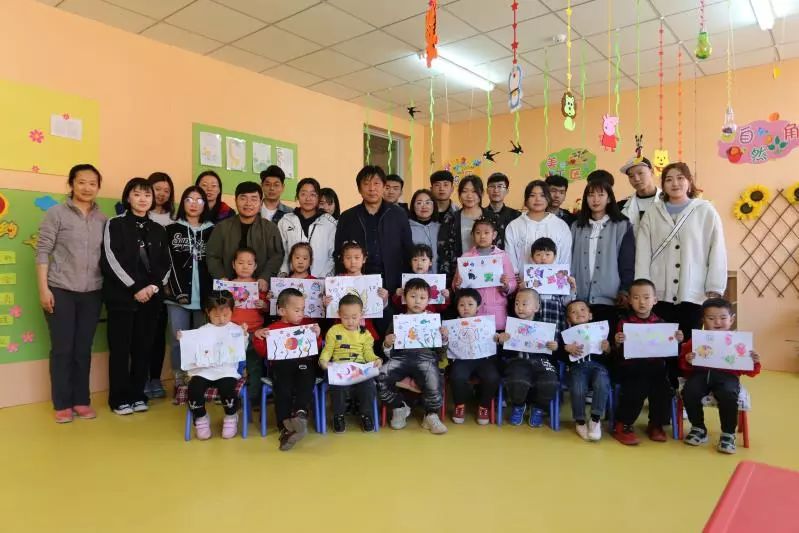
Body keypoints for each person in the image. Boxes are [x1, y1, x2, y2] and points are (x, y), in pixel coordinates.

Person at [36, 164, 107, 423]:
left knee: (83, 348)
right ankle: (62, 403)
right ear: (71, 184)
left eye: (92, 183)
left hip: (92, 292)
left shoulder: (103, 219)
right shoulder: (56, 214)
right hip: (60, 289)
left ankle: (81, 400)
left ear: (98, 187)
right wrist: (43, 289)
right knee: (63, 348)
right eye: (81, 182)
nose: (87, 188)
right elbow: (43, 251)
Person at [635, 162, 727, 342]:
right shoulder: (653, 212)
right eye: (669, 179)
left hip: (693, 290)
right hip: (659, 291)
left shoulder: (705, 211)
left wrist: (715, 285)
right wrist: (642, 285)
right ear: (663, 184)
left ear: (689, 181)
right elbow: (643, 251)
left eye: (680, 178)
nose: (675, 183)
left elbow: (717, 249)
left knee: (689, 344)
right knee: (660, 344)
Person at [101, 177, 169, 415]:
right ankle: (119, 399)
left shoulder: (159, 229)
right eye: (137, 194)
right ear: (128, 197)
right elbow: (111, 259)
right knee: (120, 350)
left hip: (151, 299)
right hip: (122, 299)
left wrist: (153, 288)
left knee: (143, 349)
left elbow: (165, 264)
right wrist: (135, 288)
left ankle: (138, 395)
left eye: (147, 195)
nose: (143, 199)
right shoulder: (115, 224)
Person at [679, 298, 761, 454]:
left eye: (723, 318)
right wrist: (688, 360)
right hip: (700, 375)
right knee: (690, 390)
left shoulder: (738, 342)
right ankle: (698, 428)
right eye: (711, 318)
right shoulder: (696, 340)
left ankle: (728, 433)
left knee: (729, 394)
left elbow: (751, 372)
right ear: (703, 320)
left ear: (732, 319)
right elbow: (683, 365)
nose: (717, 322)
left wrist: (754, 362)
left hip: (727, 377)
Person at [613, 279, 682, 445]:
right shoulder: (624, 322)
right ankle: (623, 424)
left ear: (655, 300)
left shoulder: (662, 324)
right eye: (636, 298)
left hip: (655, 367)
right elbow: (617, 353)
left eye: (646, 297)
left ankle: (656, 425)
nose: (642, 302)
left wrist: (677, 340)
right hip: (631, 368)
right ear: (629, 300)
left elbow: (670, 352)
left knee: (664, 388)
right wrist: (617, 342)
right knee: (637, 386)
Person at [255, 288, 322, 451]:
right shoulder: (272, 329)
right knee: (282, 388)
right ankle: (285, 425)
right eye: (297, 310)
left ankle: (300, 413)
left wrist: (317, 336)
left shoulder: (307, 327)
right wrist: (258, 337)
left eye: (303, 310)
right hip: (281, 366)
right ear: (282, 311)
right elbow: (263, 352)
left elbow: (316, 348)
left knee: (306, 379)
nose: (301, 314)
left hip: (303, 365)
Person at [379, 278, 449, 434]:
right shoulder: (398, 320)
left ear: (428, 300)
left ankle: (431, 415)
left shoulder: (433, 320)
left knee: (433, 379)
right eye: (412, 296)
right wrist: (387, 344)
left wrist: (444, 338)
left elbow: (441, 352)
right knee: (380, 375)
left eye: (422, 297)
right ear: (404, 297)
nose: (417, 301)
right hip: (401, 358)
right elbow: (389, 353)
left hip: (426, 358)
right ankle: (399, 408)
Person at [334, 165, 414, 298]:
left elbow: (408, 249)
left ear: (383, 186)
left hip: (392, 286)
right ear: (359, 189)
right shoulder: (348, 217)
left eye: (376, 183)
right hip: (357, 284)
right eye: (366, 184)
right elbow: (339, 253)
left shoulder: (398, 215)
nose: (372, 188)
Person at [164, 186, 214, 391]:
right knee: (179, 339)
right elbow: (164, 262)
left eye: (199, 200)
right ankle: (179, 379)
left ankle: (199, 378)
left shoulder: (213, 230)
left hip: (204, 296)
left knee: (203, 339)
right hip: (177, 296)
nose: (194, 204)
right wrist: (169, 287)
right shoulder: (171, 229)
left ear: (205, 204)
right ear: (182, 203)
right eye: (189, 199)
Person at [570, 178, 635, 337]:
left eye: (601, 195)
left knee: (606, 343)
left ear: (609, 198)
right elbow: (568, 259)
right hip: (580, 301)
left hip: (609, 299)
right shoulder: (576, 226)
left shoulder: (622, 225)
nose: (595, 199)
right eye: (591, 195)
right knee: (580, 344)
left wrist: (625, 290)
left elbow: (627, 262)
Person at [179, 291, 247, 440]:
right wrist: (183, 339)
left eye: (226, 315)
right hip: (204, 371)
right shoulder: (201, 331)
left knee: (228, 388)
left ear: (232, 311)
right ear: (207, 312)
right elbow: (192, 349)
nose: (221, 319)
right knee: (194, 389)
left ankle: (231, 416)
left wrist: (244, 335)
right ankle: (201, 418)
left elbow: (242, 350)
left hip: (227, 371)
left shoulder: (236, 329)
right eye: (216, 316)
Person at [318, 294, 383, 433]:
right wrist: (323, 361)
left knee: (368, 386)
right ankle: (339, 415)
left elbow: (368, 352)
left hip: (359, 368)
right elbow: (328, 349)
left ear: (361, 315)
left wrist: (376, 359)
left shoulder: (365, 334)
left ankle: (366, 414)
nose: (350, 321)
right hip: (339, 367)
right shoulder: (334, 331)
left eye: (354, 317)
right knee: (337, 387)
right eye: (346, 317)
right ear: (339, 314)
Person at [497, 289, 559, 427]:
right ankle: (519, 406)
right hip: (517, 360)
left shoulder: (545, 328)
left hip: (541, 360)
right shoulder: (509, 326)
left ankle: (538, 408)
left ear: (536, 307)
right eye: (517, 303)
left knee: (550, 380)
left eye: (524, 304)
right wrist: (501, 341)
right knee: (516, 379)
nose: (519, 307)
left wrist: (554, 347)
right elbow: (503, 354)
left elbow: (554, 353)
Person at [206, 181, 284, 292]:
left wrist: (265, 277)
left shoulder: (270, 228)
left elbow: (276, 256)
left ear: (261, 203)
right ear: (235, 200)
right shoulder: (222, 227)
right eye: (243, 198)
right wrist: (221, 277)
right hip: (226, 290)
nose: (248, 203)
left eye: (253, 199)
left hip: (260, 290)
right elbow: (212, 256)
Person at [447, 289, 501, 425]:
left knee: (493, 377)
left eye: (470, 304)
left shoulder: (486, 323)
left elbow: (493, 339)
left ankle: (484, 407)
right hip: (461, 359)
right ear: (457, 307)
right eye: (462, 305)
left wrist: (497, 338)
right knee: (457, 376)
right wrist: (444, 336)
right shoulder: (452, 325)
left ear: (478, 307)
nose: (466, 308)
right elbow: (446, 344)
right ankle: (459, 405)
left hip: (483, 359)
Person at [452, 218, 516, 330]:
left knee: (497, 339)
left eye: (486, 233)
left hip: (497, 313)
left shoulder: (502, 256)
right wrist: (457, 285)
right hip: (472, 314)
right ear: (472, 235)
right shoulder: (466, 258)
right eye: (478, 233)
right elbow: (455, 285)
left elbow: (513, 283)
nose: (482, 236)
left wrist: (506, 286)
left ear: (494, 235)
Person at [560, 300, 611, 441]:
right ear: (568, 319)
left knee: (602, 382)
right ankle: (580, 420)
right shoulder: (566, 336)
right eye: (573, 312)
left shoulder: (600, 331)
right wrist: (566, 349)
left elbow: (610, 355)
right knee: (578, 388)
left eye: (582, 310)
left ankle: (595, 419)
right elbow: (558, 355)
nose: (579, 313)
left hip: (598, 367)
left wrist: (607, 348)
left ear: (590, 315)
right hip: (577, 367)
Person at [145, 171, 175, 399]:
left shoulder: (174, 219)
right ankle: (142, 379)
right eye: (157, 189)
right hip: (140, 285)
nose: (162, 194)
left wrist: (165, 282)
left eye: (166, 190)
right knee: (141, 335)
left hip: (165, 286)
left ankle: (155, 378)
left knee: (158, 334)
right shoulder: (139, 215)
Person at [437, 175, 501, 284]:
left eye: (474, 191)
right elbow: (443, 252)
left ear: (481, 193)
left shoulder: (492, 218)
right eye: (465, 191)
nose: (469, 196)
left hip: (488, 275)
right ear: (459, 194)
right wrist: (448, 282)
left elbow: (499, 248)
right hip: (459, 277)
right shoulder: (451, 219)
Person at [504, 180, 572, 276]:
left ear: (548, 198)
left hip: (553, 283)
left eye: (542, 195)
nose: (538, 199)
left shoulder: (561, 226)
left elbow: (565, 259)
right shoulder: (514, 226)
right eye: (532, 195)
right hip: (522, 283)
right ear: (526, 199)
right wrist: (515, 278)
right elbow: (510, 259)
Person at [226, 247, 268, 403]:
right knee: (233, 365)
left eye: (249, 263)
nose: (245, 266)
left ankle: (253, 397)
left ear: (255, 266)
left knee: (255, 365)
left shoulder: (259, 286)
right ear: (233, 264)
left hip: (255, 332)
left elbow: (266, 309)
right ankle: (232, 396)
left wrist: (263, 305)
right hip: (233, 333)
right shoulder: (227, 286)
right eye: (241, 263)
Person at [277, 177, 336, 278]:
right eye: (303, 194)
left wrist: (323, 278)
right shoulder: (286, 221)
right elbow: (281, 252)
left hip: (320, 280)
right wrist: (284, 273)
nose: (308, 199)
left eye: (313, 194)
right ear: (297, 196)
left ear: (318, 197)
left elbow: (333, 255)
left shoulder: (329, 223)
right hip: (291, 280)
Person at [529, 238, 575, 337]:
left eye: (547, 254)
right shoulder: (529, 276)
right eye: (538, 254)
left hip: (556, 316)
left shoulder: (561, 275)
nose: (543, 258)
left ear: (554, 256)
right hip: (536, 317)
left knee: (555, 342)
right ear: (532, 257)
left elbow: (566, 303)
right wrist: (522, 289)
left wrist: (572, 288)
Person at [392, 244, 450, 313]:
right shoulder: (406, 282)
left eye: (423, 260)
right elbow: (400, 306)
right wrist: (398, 295)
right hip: (410, 317)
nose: (419, 263)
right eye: (415, 260)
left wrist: (446, 297)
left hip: (430, 317)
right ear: (411, 262)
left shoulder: (437, 282)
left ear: (430, 262)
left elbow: (441, 307)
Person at [617, 157, 661, 233]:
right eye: (631, 176)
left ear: (652, 172)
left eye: (640, 173)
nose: (636, 179)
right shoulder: (620, 206)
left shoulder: (671, 202)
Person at [408, 189, 441, 273]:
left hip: (439, 276)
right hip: (414, 277)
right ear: (413, 206)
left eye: (428, 202)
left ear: (434, 205)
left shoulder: (441, 228)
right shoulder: (406, 228)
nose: (424, 206)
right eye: (419, 203)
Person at [486, 172, 521, 242]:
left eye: (500, 186)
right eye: (492, 186)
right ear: (487, 190)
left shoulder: (516, 216)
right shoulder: (481, 214)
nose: (496, 190)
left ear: (507, 191)